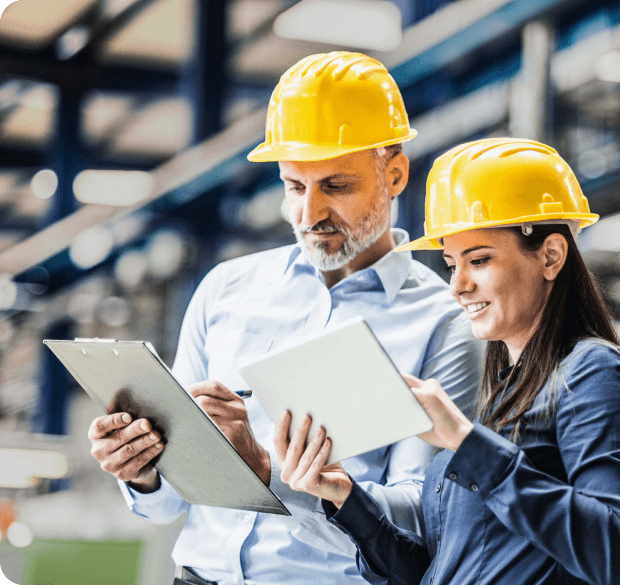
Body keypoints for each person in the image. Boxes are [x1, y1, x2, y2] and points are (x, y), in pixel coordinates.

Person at [86, 52, 483, 585]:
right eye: (295, 186)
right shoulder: (225, 291)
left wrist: (271, 472)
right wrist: (144, 470)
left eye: (336, 186)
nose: (309, 214)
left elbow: (421, 519)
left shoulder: (445, 325)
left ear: (394, 173)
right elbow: (167, 506)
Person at [276, 137, 620, 585]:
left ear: (551, 256)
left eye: (478, 260)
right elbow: (441, 571)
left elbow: (614, 551)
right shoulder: (500, 402)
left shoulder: (595, 374)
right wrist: (346, 500)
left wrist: (464, 441)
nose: (457, 286)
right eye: (450, 263)